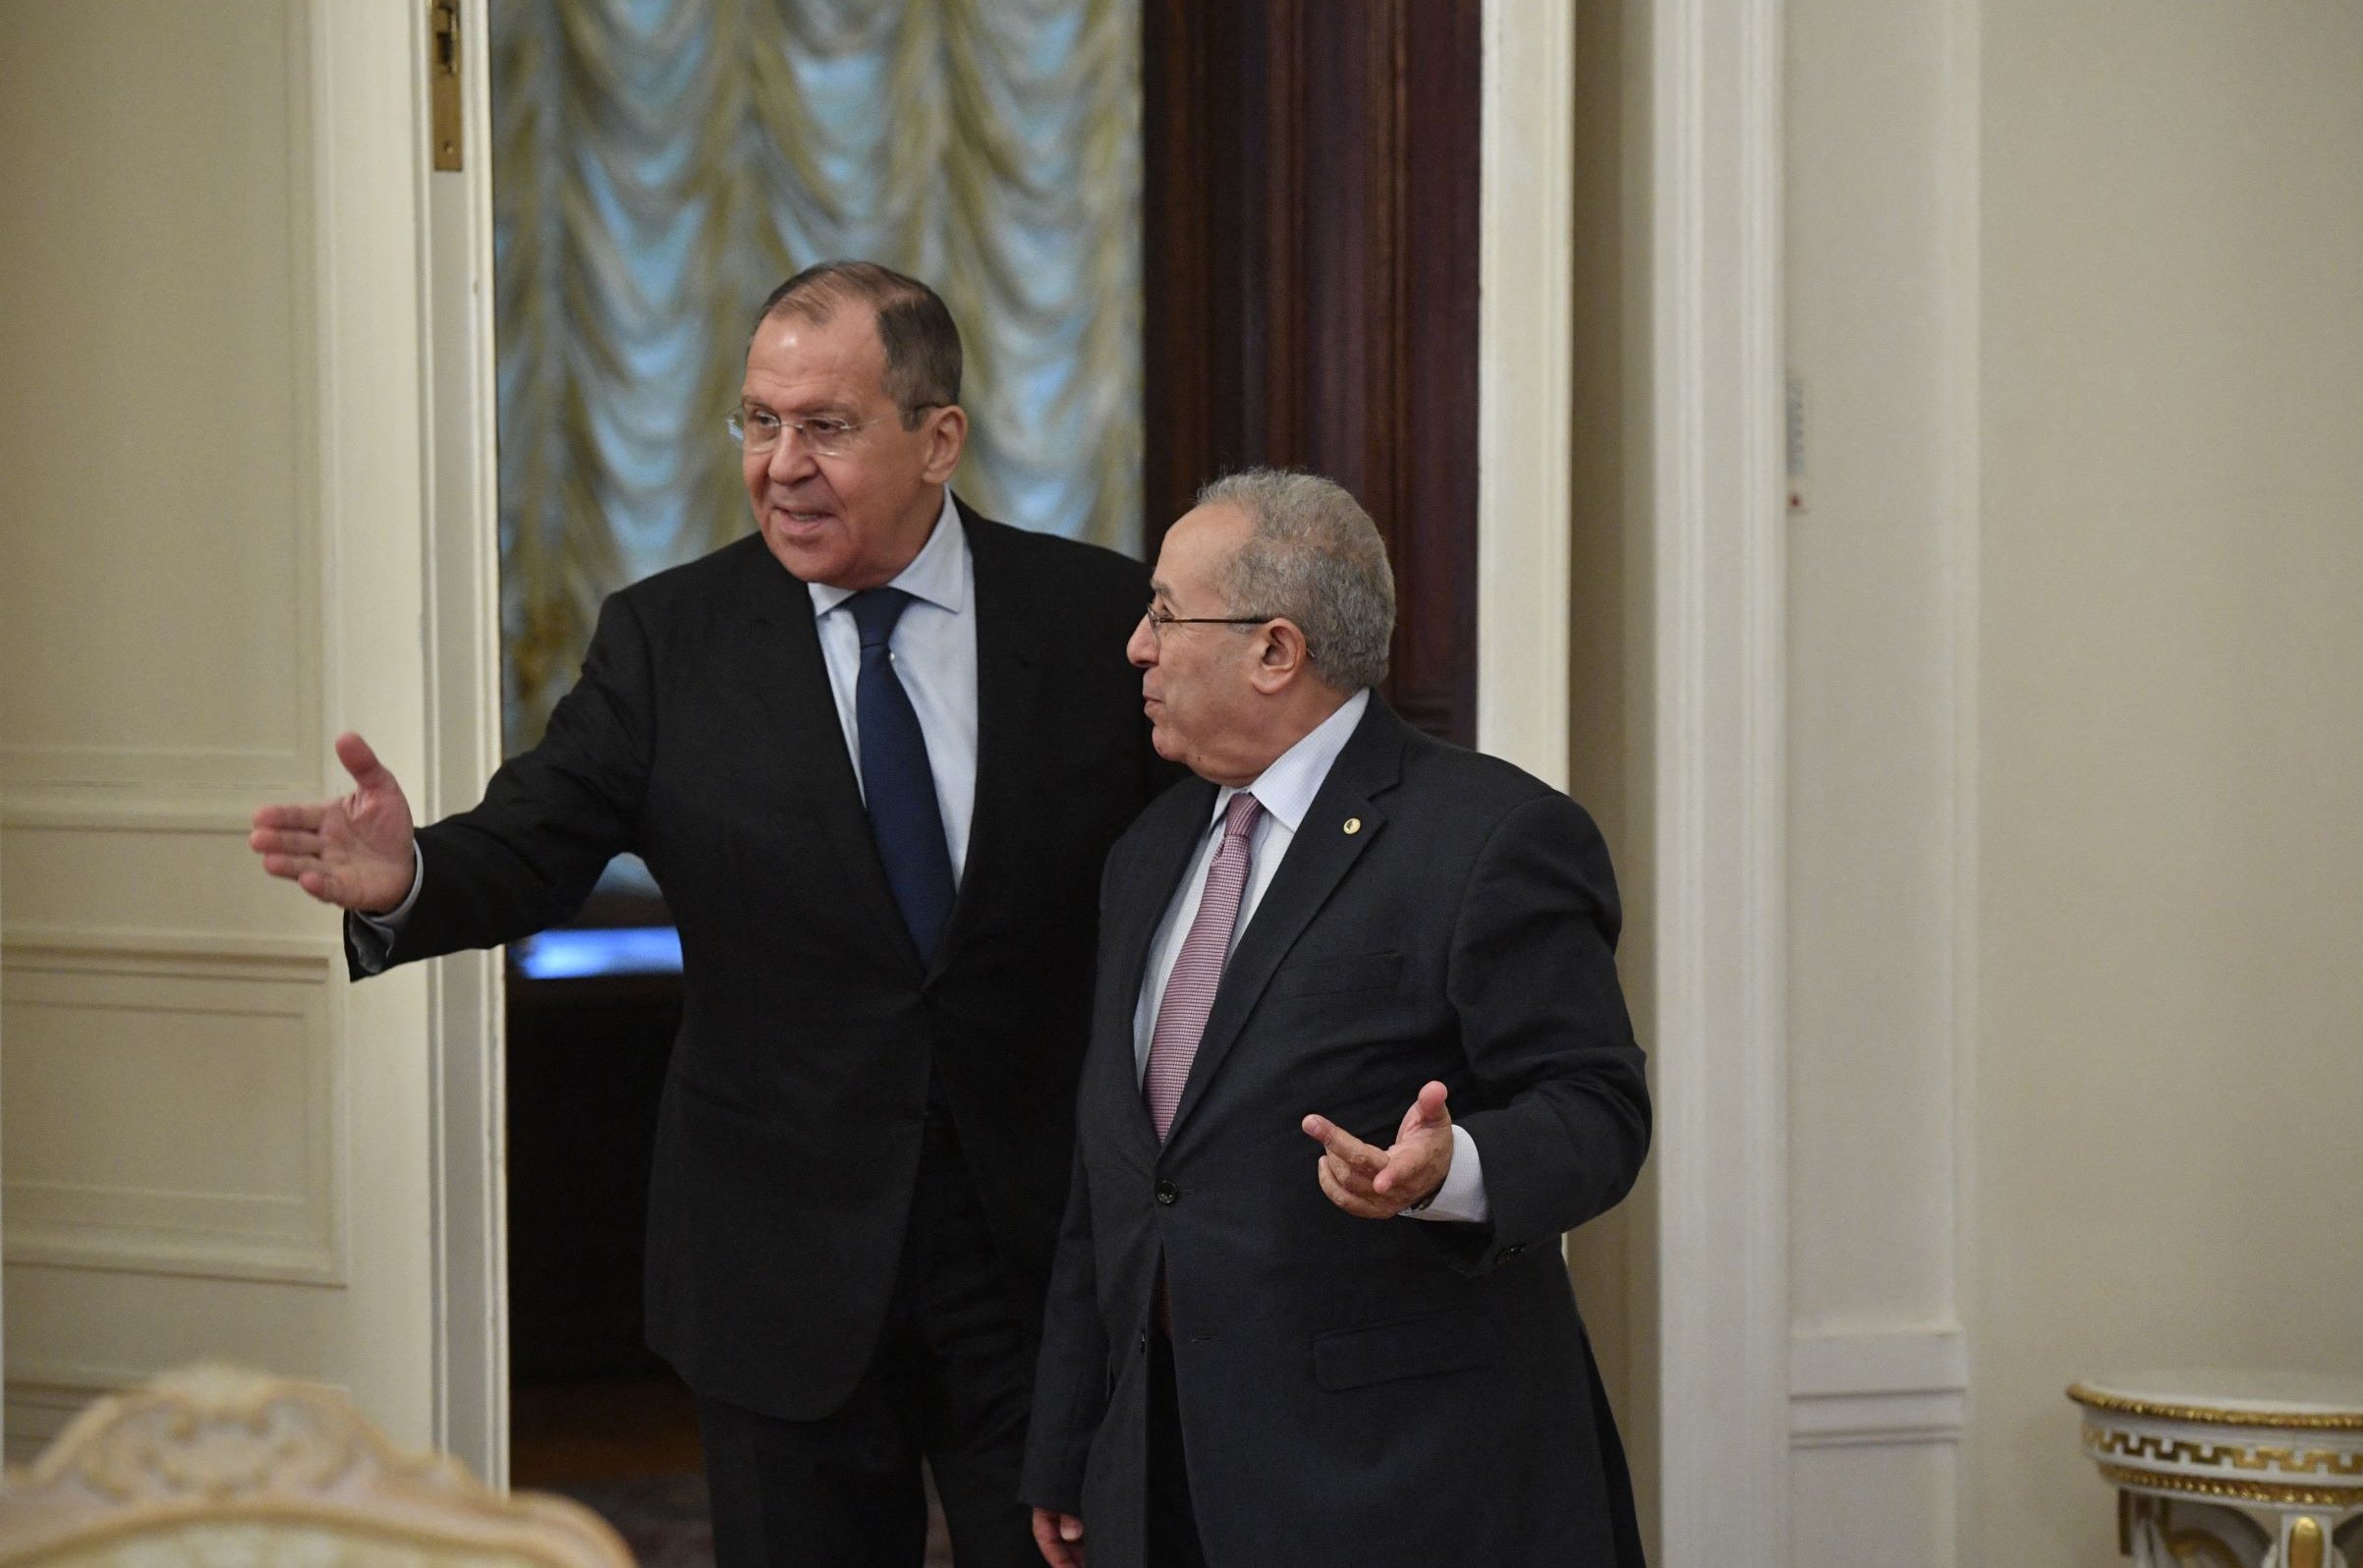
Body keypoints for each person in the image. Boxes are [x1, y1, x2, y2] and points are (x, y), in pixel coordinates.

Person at [250, 261, 1172, 1568]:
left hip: (1035, 1252)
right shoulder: (668, 641)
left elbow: (1209, 866)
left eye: (828, 426)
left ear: (938, 438)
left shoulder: (1095, 619)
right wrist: (409, 877)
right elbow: (537, 843)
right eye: (759, 421)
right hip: (777, 1259)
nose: (782, 464)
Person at [1019, 470, 1652, 1568]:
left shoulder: (1492, 837)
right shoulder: (1149, 853)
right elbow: (1114, 1178)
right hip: (1161, 1471)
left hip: (1402, 1480)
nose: (1136, 646)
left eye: (1166, 614)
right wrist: (1074, 1436)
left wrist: (1452, 1169)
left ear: (1276, 649)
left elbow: (1597, 1109)